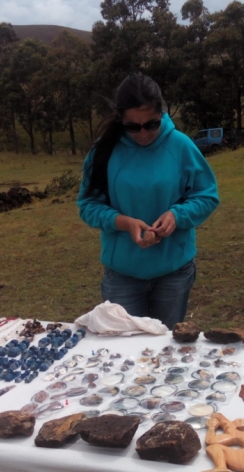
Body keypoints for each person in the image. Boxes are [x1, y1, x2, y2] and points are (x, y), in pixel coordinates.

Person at [77, 74, 219, 329]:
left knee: (165, 349)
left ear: (162, 114)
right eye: (133, 126)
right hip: (122, 275)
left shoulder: (181, 146)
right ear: (120, 119)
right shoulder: (104, 151)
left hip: (173, 272)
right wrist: (123, 223)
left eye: (151, 124)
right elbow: (88, 205)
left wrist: (177, 215)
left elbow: (206, 195)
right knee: (123, 351)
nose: (143, 134)